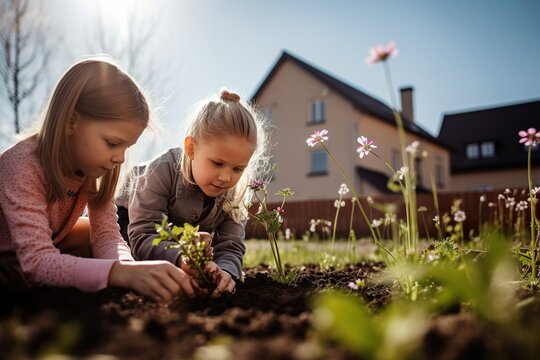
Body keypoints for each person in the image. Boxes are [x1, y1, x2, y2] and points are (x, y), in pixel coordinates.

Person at [0, 57, 196, 302]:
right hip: (15, 255)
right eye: (113, 143)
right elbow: (37, 261)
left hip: (40, 248)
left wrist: (129, 269)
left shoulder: (91, 170)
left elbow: (106, 236)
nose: (121, 158)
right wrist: (118, 273)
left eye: (127, 147)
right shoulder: (21, 164)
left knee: (91, 233)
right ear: (71, 121)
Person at [116, 89, 268, 298]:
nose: (226, 177)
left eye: (237, 169)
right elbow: (143, 235)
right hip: (121, 228)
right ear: (191, 148)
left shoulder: (234, 195)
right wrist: (181, 257)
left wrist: (225, 272)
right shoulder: (160, 171)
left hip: (170, 252)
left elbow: (230, 245)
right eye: (217, 163)